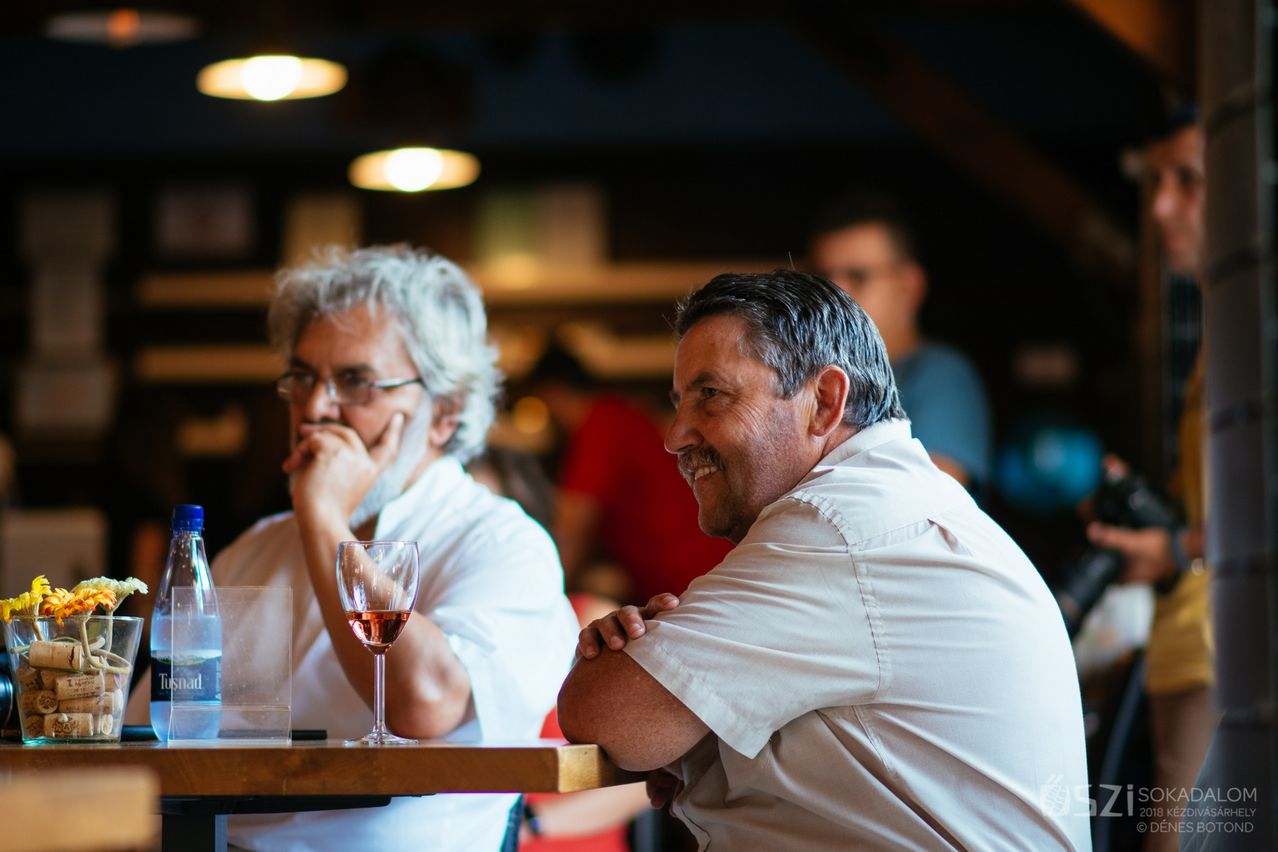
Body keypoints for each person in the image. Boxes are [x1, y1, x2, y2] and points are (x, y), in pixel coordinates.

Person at [558, 270, 1090, 850]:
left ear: (825, 402)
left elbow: (607, 718)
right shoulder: (901, 502)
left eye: (711, 395)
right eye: (678, 403)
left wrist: (633, 671)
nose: (676, 436)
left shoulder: (837, 526)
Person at [161, 246, 577, 850]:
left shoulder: (504, 544)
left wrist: (324, 517)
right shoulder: (253, 549)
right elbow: (156, 733)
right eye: (303, 378)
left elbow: (425, 703)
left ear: (445, 412)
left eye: (356, 382)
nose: (314, 409)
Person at [1085, 115, 1213, 850]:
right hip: (1187, 649)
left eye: (1187, 181)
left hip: (1222, 655)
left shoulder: (1257, 330)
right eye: (1156, 181)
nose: (1161, 206)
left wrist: (1173, 548)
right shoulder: (1224, 330)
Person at [809, 193, 992, 491]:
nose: (835, 293)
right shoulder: (808, 378)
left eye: (858, 276)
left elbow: (929, 495)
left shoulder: (942, 376)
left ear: (909, 287)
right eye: (822, 278)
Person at [526, 343, 732, 603]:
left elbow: (573, 529)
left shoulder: (600, 425)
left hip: (690, 577)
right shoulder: (619, 415)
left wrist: (537, 597)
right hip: (699, 571)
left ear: (551, 393)